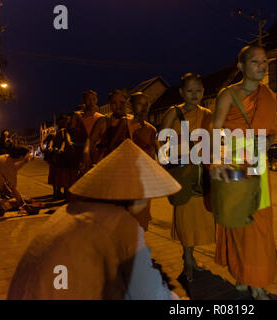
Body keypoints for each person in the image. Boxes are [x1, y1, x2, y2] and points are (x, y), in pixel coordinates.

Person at [7, 139, 182, 300]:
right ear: (135, 200)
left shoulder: (70, 211)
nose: (149, 214)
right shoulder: (120, 223)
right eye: (147, 201)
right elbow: (150, 294)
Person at [211, 45, 277, 299]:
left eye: (265, 61)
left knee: (259, 223)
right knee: (237, 222)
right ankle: (243, 274)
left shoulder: (269, 96)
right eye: (255, 62)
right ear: (241, 66)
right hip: (233, 162)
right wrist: (216, 163)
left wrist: (266, 144)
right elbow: (215, 131)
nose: (262, 66)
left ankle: (256, 280)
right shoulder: (227, 95)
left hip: (258, 164)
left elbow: (274, 131)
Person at [159, 73, 216, 281]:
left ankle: (191, 258)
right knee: (184, 218)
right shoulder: (173, 113)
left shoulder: (208, 113)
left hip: (201, 172)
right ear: (182, 92)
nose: (195, 95)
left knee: (199, 217)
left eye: (199, 91)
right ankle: (187, 260)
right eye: (190, 91)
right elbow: (162, 140)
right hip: (182, 171)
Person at [127, 92, 160, 231]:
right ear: (131, 106)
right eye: (140, 104)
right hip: (126, 178)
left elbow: (159, 152)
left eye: (147, 104)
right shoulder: (125, 125)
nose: (145, 108)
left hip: (144, 180)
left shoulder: (151, 129)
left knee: (140, 220)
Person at [83, 89, 131, 169]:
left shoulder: (131, 121)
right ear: (110, 105)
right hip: (107, 163)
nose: (118, 106)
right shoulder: (104, 121)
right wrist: (86, 153)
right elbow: (90, 140)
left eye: (121, 102)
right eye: (114, 103)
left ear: (127, 102)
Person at [0, 146, 32, 219]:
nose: (29, 156)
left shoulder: (6, 158)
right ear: (21, 156)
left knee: (3, 204)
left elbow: (13, 171)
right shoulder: (9, 166)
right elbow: (14, 188)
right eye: (28, 155)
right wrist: (22, 203)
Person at [68, 90, 104, 179]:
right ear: (83, 101)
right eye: (88, 99)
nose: (91, 102)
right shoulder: (77, 116)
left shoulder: (100, 117)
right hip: (79, 151)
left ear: (97, 100)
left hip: (95, 153)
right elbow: (70, 133)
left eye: (93, 99)